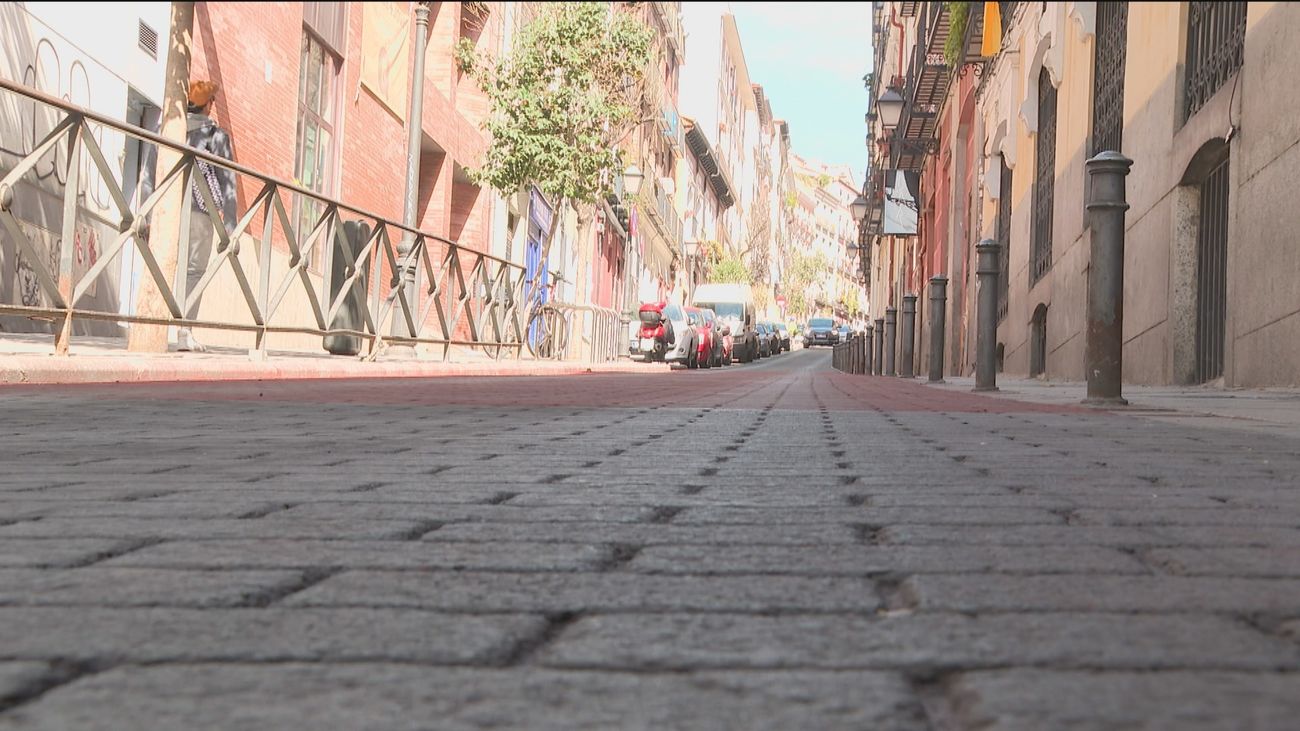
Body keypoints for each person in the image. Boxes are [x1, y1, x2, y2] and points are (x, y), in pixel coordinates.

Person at [138, 79, 237, 352]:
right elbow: (227, 180)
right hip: (200, 214)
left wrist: (145, 212)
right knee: (194, 272)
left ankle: (150, 325)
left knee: (161, 265)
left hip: (165, 209)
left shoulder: (167, 128)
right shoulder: (217, 137)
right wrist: (230, 224)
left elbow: (148, 175)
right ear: (207, 105)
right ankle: (184, 331)